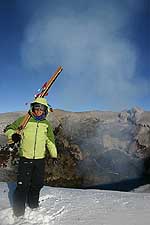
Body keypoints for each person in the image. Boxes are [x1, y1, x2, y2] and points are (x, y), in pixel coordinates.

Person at [4, 97, 57, 217]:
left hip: (39, 160)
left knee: (37, 184)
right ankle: (18, 213)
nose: (38, 111)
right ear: (32, 108)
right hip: (25, 158)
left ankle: (33, 205)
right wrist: (13, 136)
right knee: (22, 185)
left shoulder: (46, 125)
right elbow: (8, 129)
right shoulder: (24, 120)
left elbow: (50, 141)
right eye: (36, 108)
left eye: (41, 109)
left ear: (45, 110)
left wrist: (54, 155)